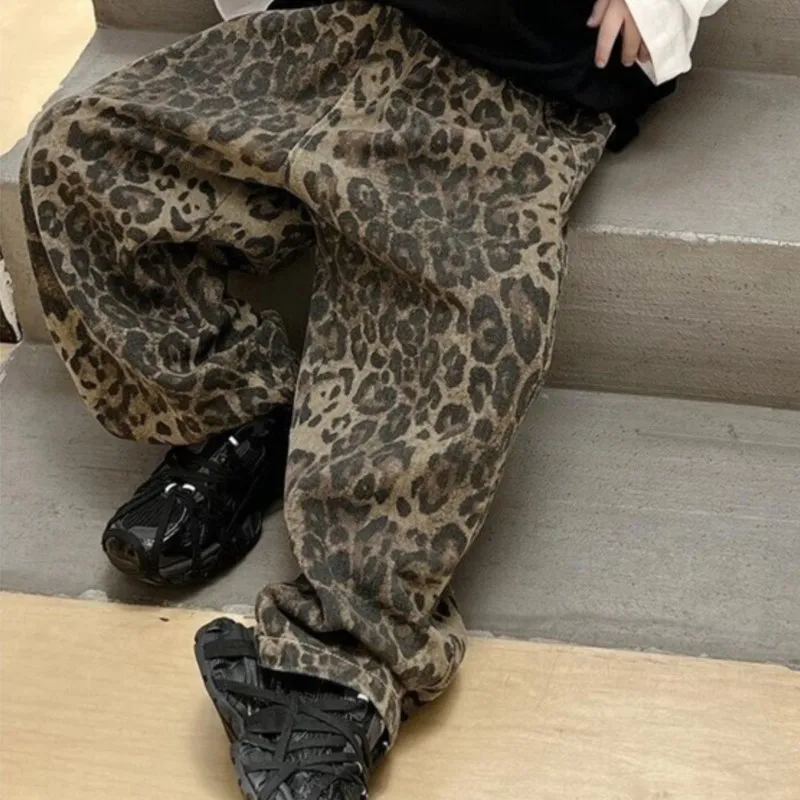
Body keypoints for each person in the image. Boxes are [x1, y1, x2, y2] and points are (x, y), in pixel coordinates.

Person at [21, 0, 729, 797]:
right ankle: (240, 417)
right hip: (324, 29)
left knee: (463, 317)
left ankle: (343, 656)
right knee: (79, 151)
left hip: (513, 73)